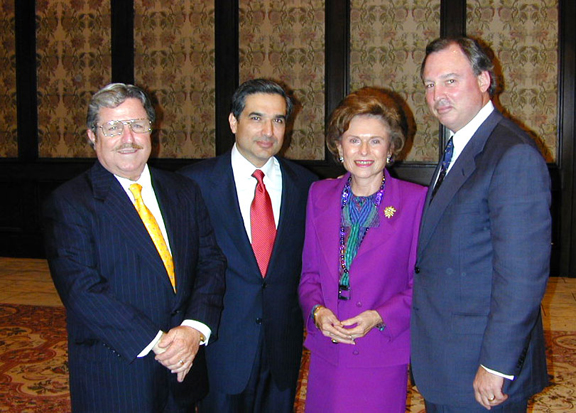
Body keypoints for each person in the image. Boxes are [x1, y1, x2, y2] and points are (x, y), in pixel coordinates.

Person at [42, 83, 227, 412]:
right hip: (116, 372)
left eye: (138, 125)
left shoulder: (183, 190)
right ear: (91, 136)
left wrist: (193, 329)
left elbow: (210, 263)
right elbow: (82, 290)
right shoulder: (71, 202)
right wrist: (161, 345)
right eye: (113, 128)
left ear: (151, 131)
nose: (128, 139)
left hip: (185, 364)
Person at [411, 37, 551, 412]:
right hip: (447, 359)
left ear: (485, 80)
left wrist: (496, 365)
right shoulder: (462, 147)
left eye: (450, 80)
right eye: (429, 84)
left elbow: (522, 276)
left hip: (481, 371)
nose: (437, 94)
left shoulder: (512, 153)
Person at [180, 78, 317, 412]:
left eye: (279, 120)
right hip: (220, 344)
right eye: (256, 117)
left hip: (281, 346)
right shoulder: (192, 184)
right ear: (233, 121)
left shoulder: (307, 186)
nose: (268, 130)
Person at [298, 87, 427, 412]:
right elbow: (309, 274)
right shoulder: (319, 195)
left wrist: (378, 317)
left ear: (392, 147)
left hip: (381, 349)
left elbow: (423, 285)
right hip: (329, 348)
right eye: (354, 140)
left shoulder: (415, 202)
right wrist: (317, 312)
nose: (364, 150)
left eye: (375, 140)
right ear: (339, 146)